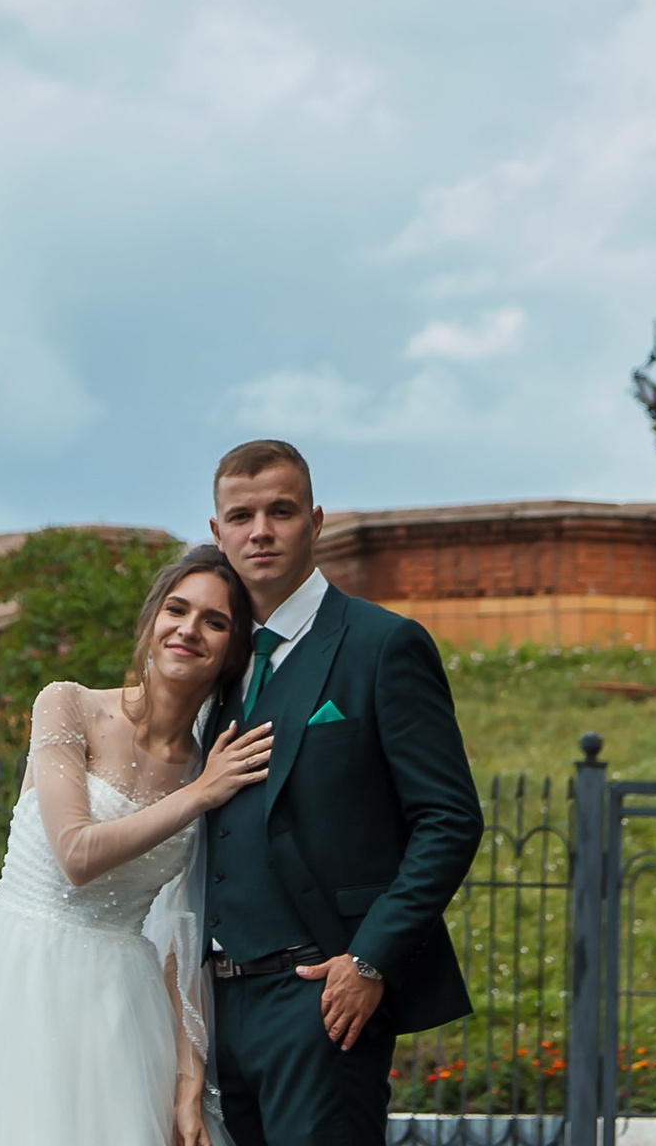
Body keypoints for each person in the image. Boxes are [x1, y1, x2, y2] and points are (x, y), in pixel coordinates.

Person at [0, 542, 270, 1146]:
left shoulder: (212, 765)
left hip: (122, 1010)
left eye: (215, 621)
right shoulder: (69, 705)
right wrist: (198, 796)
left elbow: (182, 934)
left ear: (231, 652)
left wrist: (187, 1082)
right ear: (150, 623)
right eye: (177, 609)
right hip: (16, 977)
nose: (189, 629)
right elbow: (76, 853)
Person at [202, 438, 484, 1146]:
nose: (259, 530)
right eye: (241, 516)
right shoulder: (214, 663)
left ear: (316, 520)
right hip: (210, 1005)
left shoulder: (383, 645)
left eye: (281, 510)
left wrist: (371, 959)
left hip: (322, 996)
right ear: (217, 533)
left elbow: (449, 819)